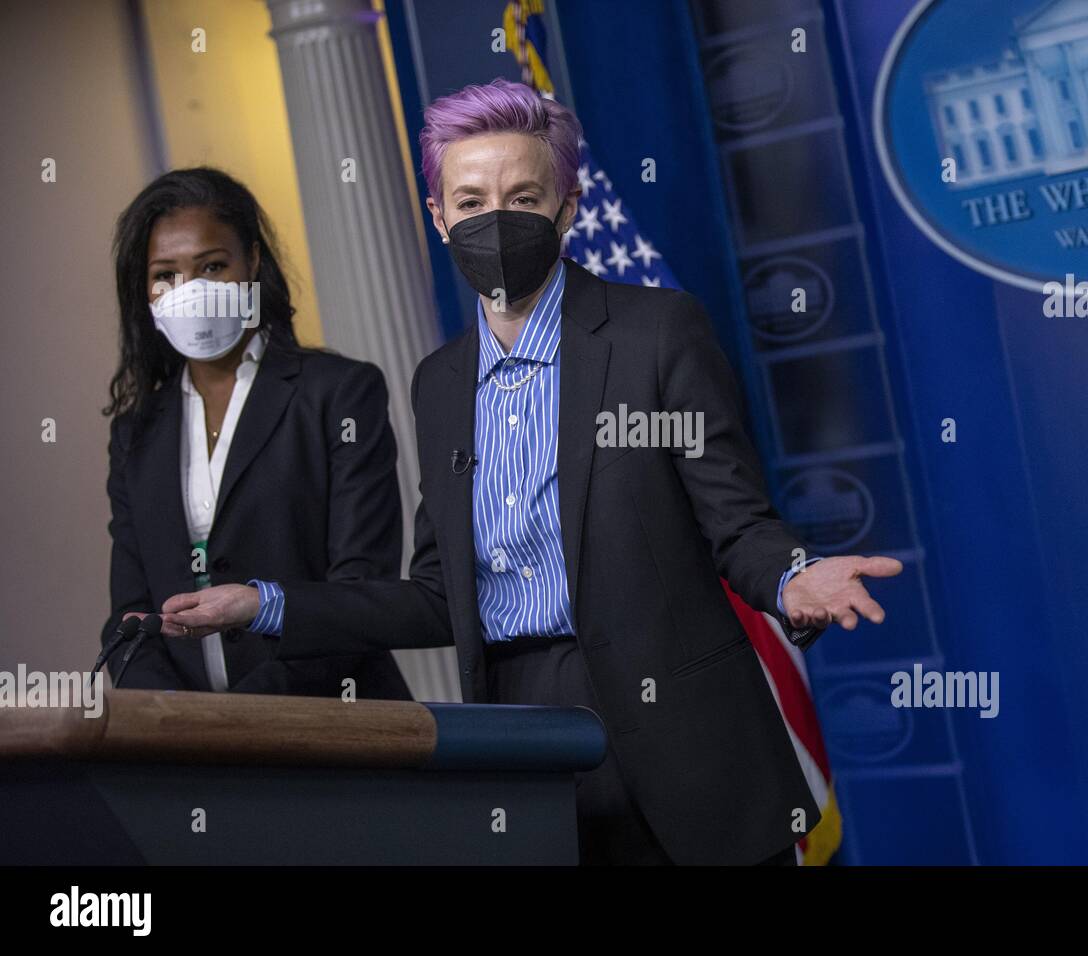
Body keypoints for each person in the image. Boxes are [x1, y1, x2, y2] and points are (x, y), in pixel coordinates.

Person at [158, 80, 902, 863]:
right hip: (525, 741)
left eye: (522, 196)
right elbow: (439, 595)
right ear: (438, 216)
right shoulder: (437, 382)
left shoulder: (656, 334)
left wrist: (793, 580)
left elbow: (737, 523)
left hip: (686, 745)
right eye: (471, 202)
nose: (496, 220)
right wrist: (265, 604)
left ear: (566, 207)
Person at [101, 167, 410, 700]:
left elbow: (360, 593)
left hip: (341, 733)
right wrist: (175, 721)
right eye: (165, 274)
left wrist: (249, 717)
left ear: (254, 264)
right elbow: (130, 617)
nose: (190, 291)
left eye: (212, 266)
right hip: (190, 760)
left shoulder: (338, 393)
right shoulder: (138, 432)